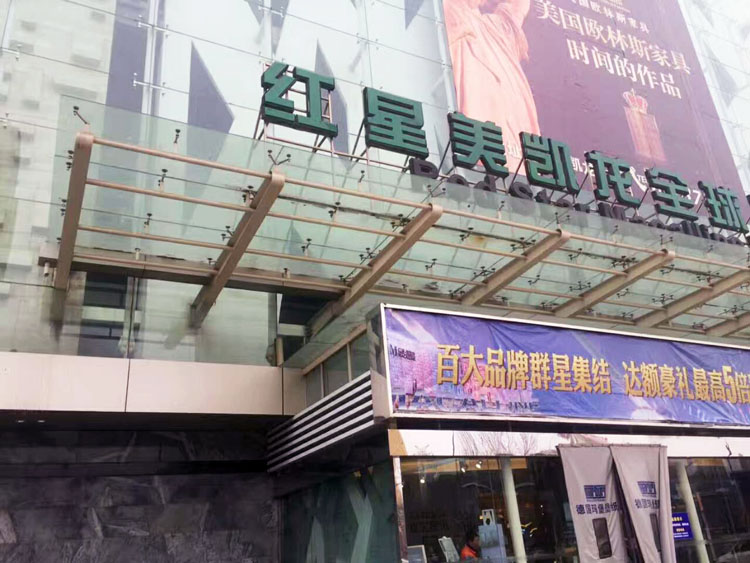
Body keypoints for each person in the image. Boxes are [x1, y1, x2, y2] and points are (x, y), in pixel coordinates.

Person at [444, 0, 540, 166]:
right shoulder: (452, 14)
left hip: (511, 149)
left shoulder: (494, 28)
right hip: (475, 143)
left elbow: (517, 8)